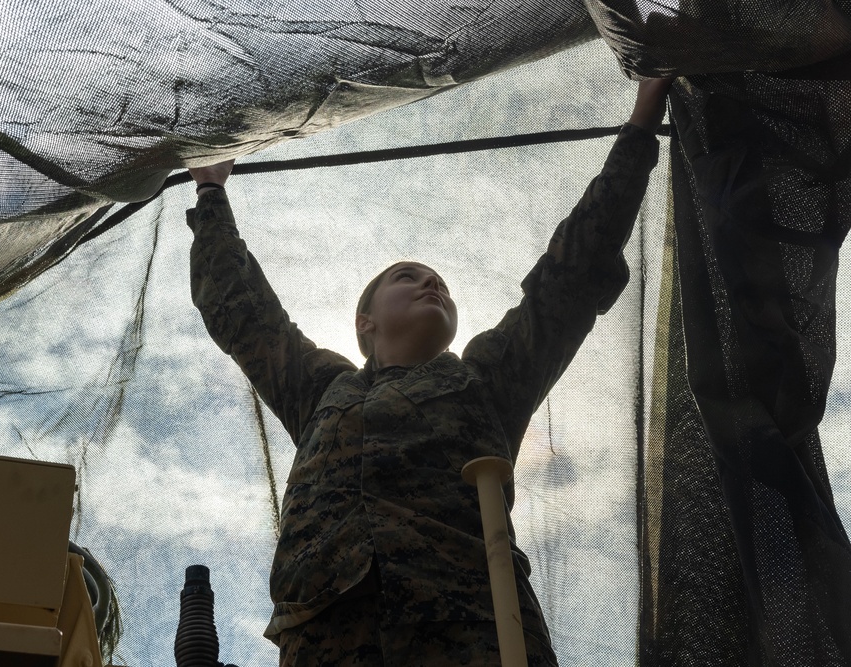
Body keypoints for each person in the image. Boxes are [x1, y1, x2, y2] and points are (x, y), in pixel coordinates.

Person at [186, 78, 673, 666]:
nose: (430, 282)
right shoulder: (322, 389)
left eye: (436, 279)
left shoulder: (484, 382)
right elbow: (244, 312)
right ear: (364, 321)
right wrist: (211, 191)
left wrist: (643, 122)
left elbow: (570, 276)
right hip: (330, 641)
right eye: (406, 276)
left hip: (479, 639)